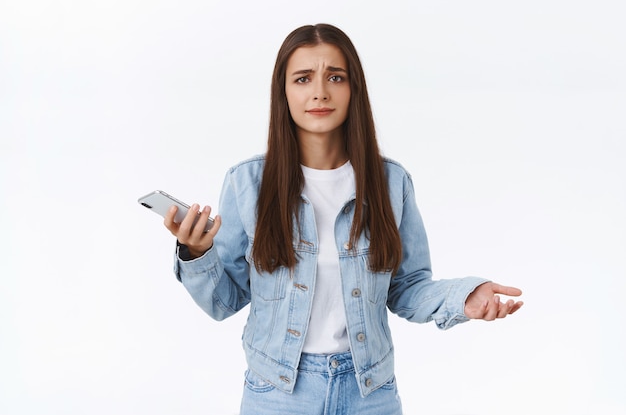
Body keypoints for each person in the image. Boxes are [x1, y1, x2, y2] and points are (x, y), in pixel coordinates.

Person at [164, 23, 523, 415]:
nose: (319, 91)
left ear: (355, 90)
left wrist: (462, 297)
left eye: (335, 77)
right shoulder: (247, 183)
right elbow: (224, 301)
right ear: (283, 91)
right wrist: (196, 253)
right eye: (303, 78)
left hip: (370, 393)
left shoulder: (391, 183)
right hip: (278, 394)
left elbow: (406, 288)